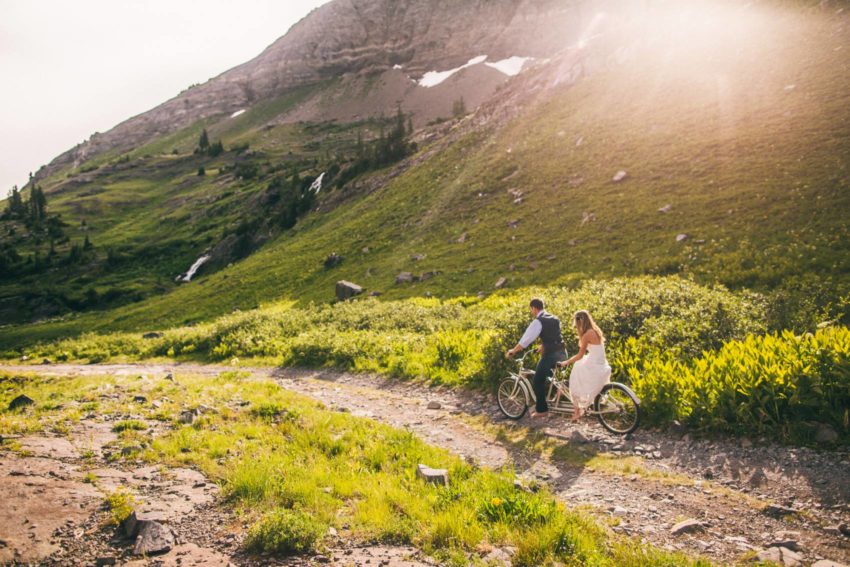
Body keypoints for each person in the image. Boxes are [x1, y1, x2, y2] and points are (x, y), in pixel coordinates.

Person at [505, 298, 568, 418]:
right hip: (562, 353)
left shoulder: (538, 321)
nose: (531, 312)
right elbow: (555, 337)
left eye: (531, 310)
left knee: (538, 380)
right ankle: (556, 397)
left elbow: (525, 340)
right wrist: (543, 345)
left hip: (551, 354)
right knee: (548, 376)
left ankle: (542, 410)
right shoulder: (554, 318)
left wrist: (513, 350)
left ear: (534, 308)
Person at [557, 310, 611, 421]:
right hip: (601, 362)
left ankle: (577, 411)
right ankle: (583, 407)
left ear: (579, 322)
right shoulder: (595, 330)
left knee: (575, 377)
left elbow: (580, 355)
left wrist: (566, 362)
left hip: (594, 363)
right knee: (580, 375)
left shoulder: (586, 334)